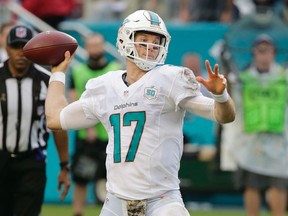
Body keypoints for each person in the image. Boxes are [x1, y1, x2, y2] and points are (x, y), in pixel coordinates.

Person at [45, 10, 236, 215]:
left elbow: (224, 116)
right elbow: (55, 119)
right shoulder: (105, 86)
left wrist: (220, 96)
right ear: (124, 39)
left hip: (162, 201)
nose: (151, 47)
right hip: (116, 203)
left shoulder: (170, 79)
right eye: (143, 39)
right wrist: (57, 74)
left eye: (156, 41)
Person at [0, 25, 71, 216]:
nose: (20, 53)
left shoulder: (48, 81)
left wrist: (64, 166)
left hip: (33, 161)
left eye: (24, 47)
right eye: (15, 47)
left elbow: (59, 125)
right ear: (6, 48)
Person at [221, 33, 288, 216]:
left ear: (274, 53)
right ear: (254, 53)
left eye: (268, 50)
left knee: (278, 185)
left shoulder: (284, 77)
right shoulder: (242, 79)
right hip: (249, 141)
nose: (264, 54)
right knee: (251, 186)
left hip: (278, 142)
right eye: (261, 50)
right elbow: (230, 99)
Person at [68, 33, 122, 216]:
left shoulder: (115, 69)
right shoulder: (78, 71)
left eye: (98, 45)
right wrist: (87, 127)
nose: (95, 49)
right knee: (81, 177)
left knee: (110, 181)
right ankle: (78, 212)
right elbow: (74, 101)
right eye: (91, 45)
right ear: (86, 47)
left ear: (103, 46)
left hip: (110, 136)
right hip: (86, 138)